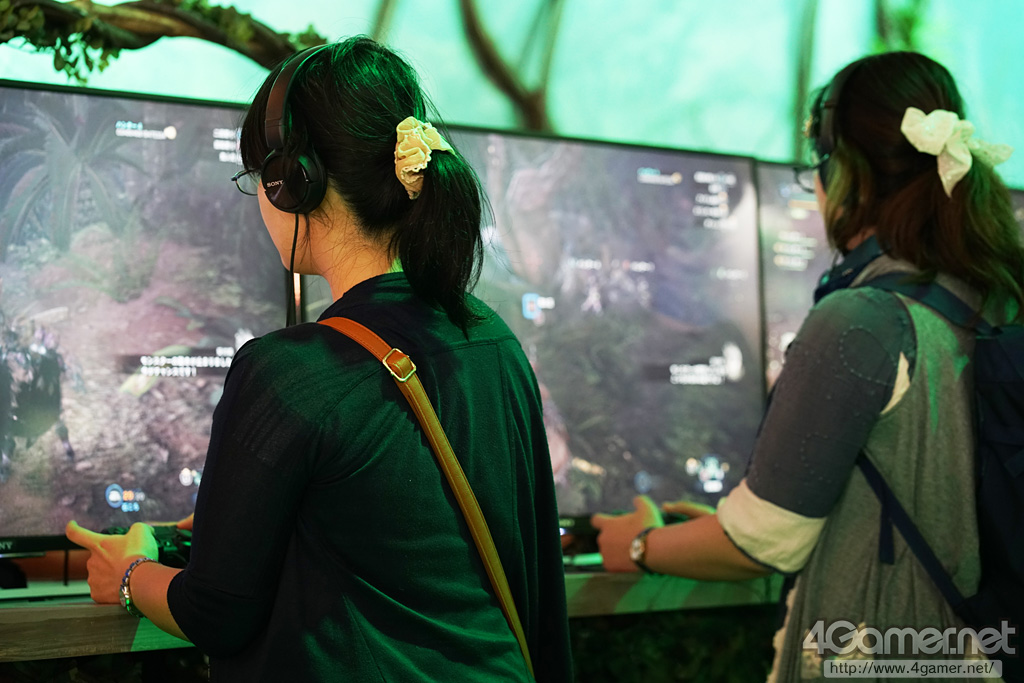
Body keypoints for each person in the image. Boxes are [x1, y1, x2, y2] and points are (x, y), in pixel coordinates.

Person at [66, 36, 573, 683]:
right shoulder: (493, 340)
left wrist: (129, 574)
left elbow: (216, 613)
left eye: (256, 178)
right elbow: (511, 569)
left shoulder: (289, 373)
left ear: (292, 183)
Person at [593, 51, 1022, 682]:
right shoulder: (992, 297)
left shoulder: (863, 320)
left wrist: (637, 545)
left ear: (844, 172)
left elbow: (765, 541)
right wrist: (741, 517)